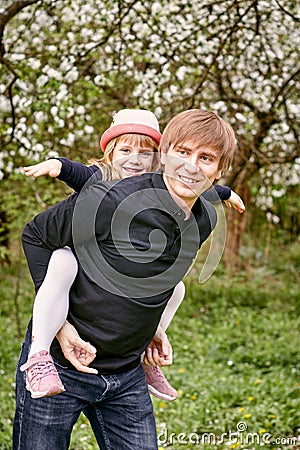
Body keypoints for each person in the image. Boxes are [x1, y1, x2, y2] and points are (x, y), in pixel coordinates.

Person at [14, 108, 240, 450]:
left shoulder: (204, 218)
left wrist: (152, 329)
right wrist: (59, 327)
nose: (192, 166)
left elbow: (157, 276)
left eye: (205, 158)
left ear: (218, 170)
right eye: (182, 152)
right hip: (61, 366)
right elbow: (35, 236)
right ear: (165, 155)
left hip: (127, 375)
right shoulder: (109, 200)